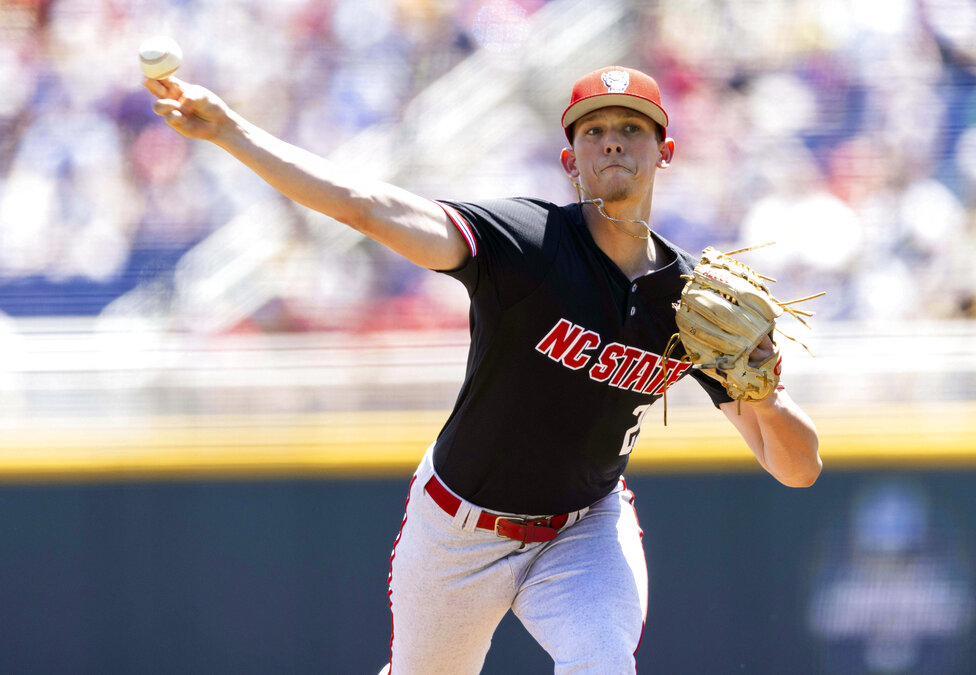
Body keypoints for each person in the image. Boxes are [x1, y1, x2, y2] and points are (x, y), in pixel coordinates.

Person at [144, 64, 821, 673]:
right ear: (570, 159)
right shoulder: (526, 245)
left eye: (632, 128)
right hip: (459, 528)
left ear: (664, 151)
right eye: (594, 131)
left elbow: (797, 466)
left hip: (584, 528)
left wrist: (762, 392)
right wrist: (231, 131)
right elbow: (367, 208)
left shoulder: (686, 301)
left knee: (602, 662)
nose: (612, 141)